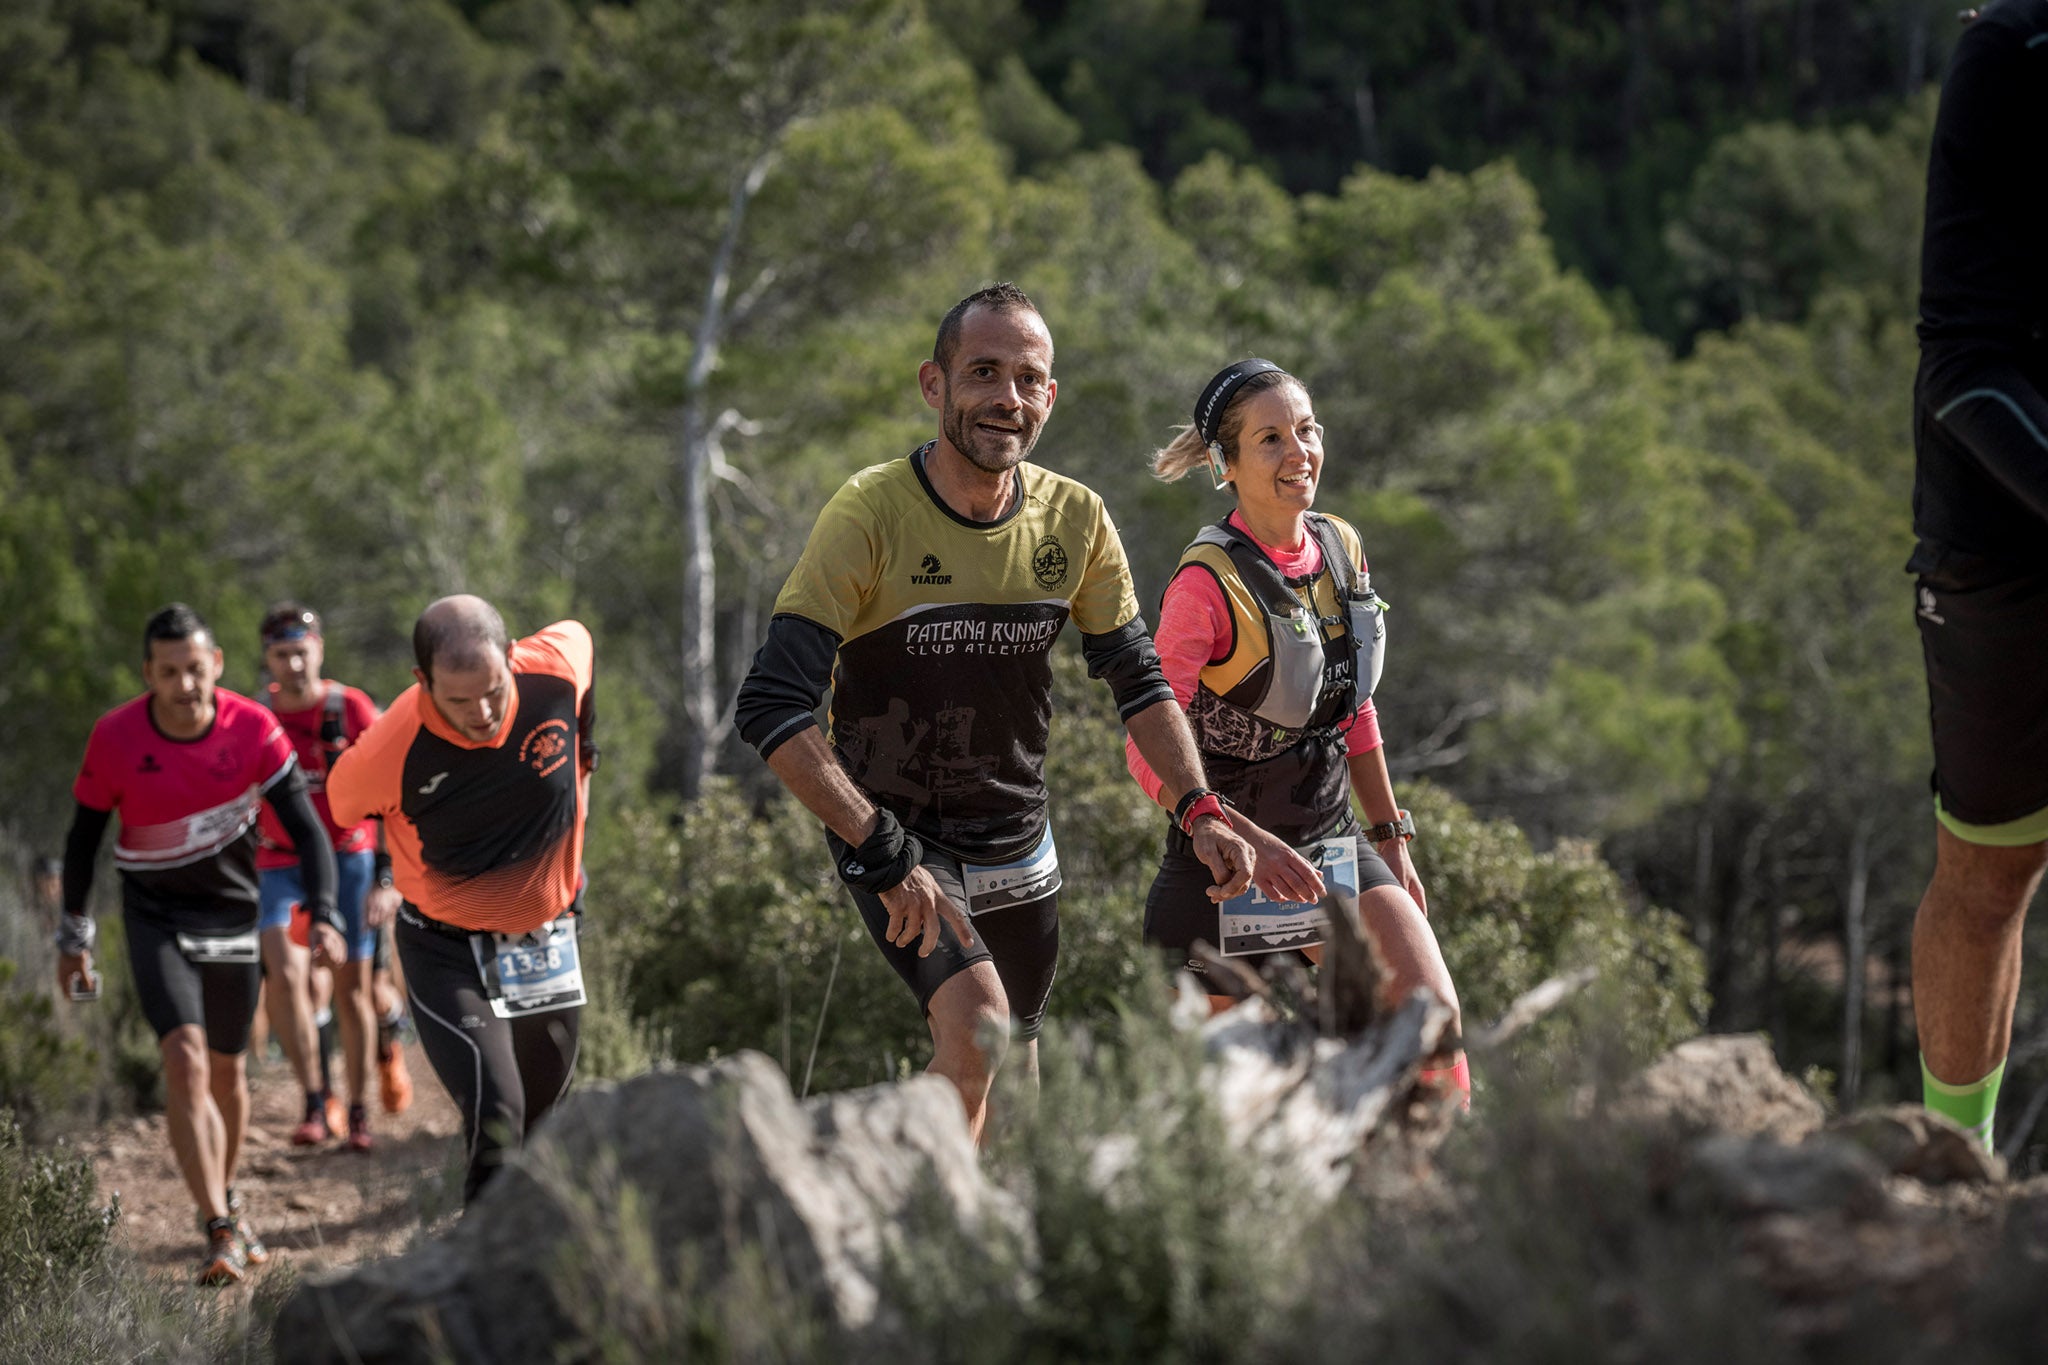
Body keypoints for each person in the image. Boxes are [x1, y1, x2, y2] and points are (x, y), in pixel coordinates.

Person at [734, 283, 1260, 1142]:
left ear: (1049, 397)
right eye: (983, 372)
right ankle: (907, 1237)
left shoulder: (1076, 517)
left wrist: (1199, 806)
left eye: (1027, 379)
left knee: (1016, 1082)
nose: (1006, 398)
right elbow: (772, 706)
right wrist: (879, 847)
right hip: (897, 834)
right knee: (979, 1030)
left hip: (1018, 834)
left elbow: (1140, 680)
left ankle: (997, 1260)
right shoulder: (870, 512)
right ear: (933, 385)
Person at [1129, 360, 1469, 1100]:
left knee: (1434, 1037)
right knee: (1216, 1113)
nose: (1299, 452)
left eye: (1307, 430)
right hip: (1222, 876)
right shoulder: (1203, 586)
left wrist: (1391, 839)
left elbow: (1354, 708)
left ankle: (1428, 1209)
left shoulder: (1341, 546)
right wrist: (1235, 833)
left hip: (1334, 851)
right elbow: (1144, 742)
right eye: (1271, 438)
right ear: (1226, 464)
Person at [56, 603, 345, 1285]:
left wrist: (325, 912)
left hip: (231, 916)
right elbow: (82, 840)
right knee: (183, 1058)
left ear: (215, 664)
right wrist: (74, 933)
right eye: (169, 672)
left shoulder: (252, 726)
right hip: (155, 915)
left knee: (228, 1070)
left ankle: (229, 1195)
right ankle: (216, 1220)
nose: (185, 685)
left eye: (195, 669)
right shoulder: (116, 737)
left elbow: (307, 830)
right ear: (148, 675)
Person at [1906, 0, 2048, 1154]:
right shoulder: (2009, 56)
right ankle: (1955, 1167)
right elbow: (1961, 360)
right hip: (1995, 540)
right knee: (1989, 869)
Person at [327, 596, 597, 1203]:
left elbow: (582, 638)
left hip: (546, 937)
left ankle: (547, 1272)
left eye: (494, 691)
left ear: (511, 657)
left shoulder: (554, 668)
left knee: (545, 1121)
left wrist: (587, 748)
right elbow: (344, 808)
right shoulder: (389, 747)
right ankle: (478, 1276)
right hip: (446, 950)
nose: (482, 712)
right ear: (422, 681)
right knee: (498, 1113)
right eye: (457, 699)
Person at [251, 602, 411, 1153]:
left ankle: (361, 1107)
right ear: (267, 658)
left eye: (302, 651)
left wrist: (387, 877)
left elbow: (393, 790)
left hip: (350, 858)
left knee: (354, 990)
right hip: (279, 861)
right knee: (287, 979)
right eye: (281, 654)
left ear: (319, 649)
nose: (293, 664)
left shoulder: (352, 707)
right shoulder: (257, 717)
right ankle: (317, 1101)